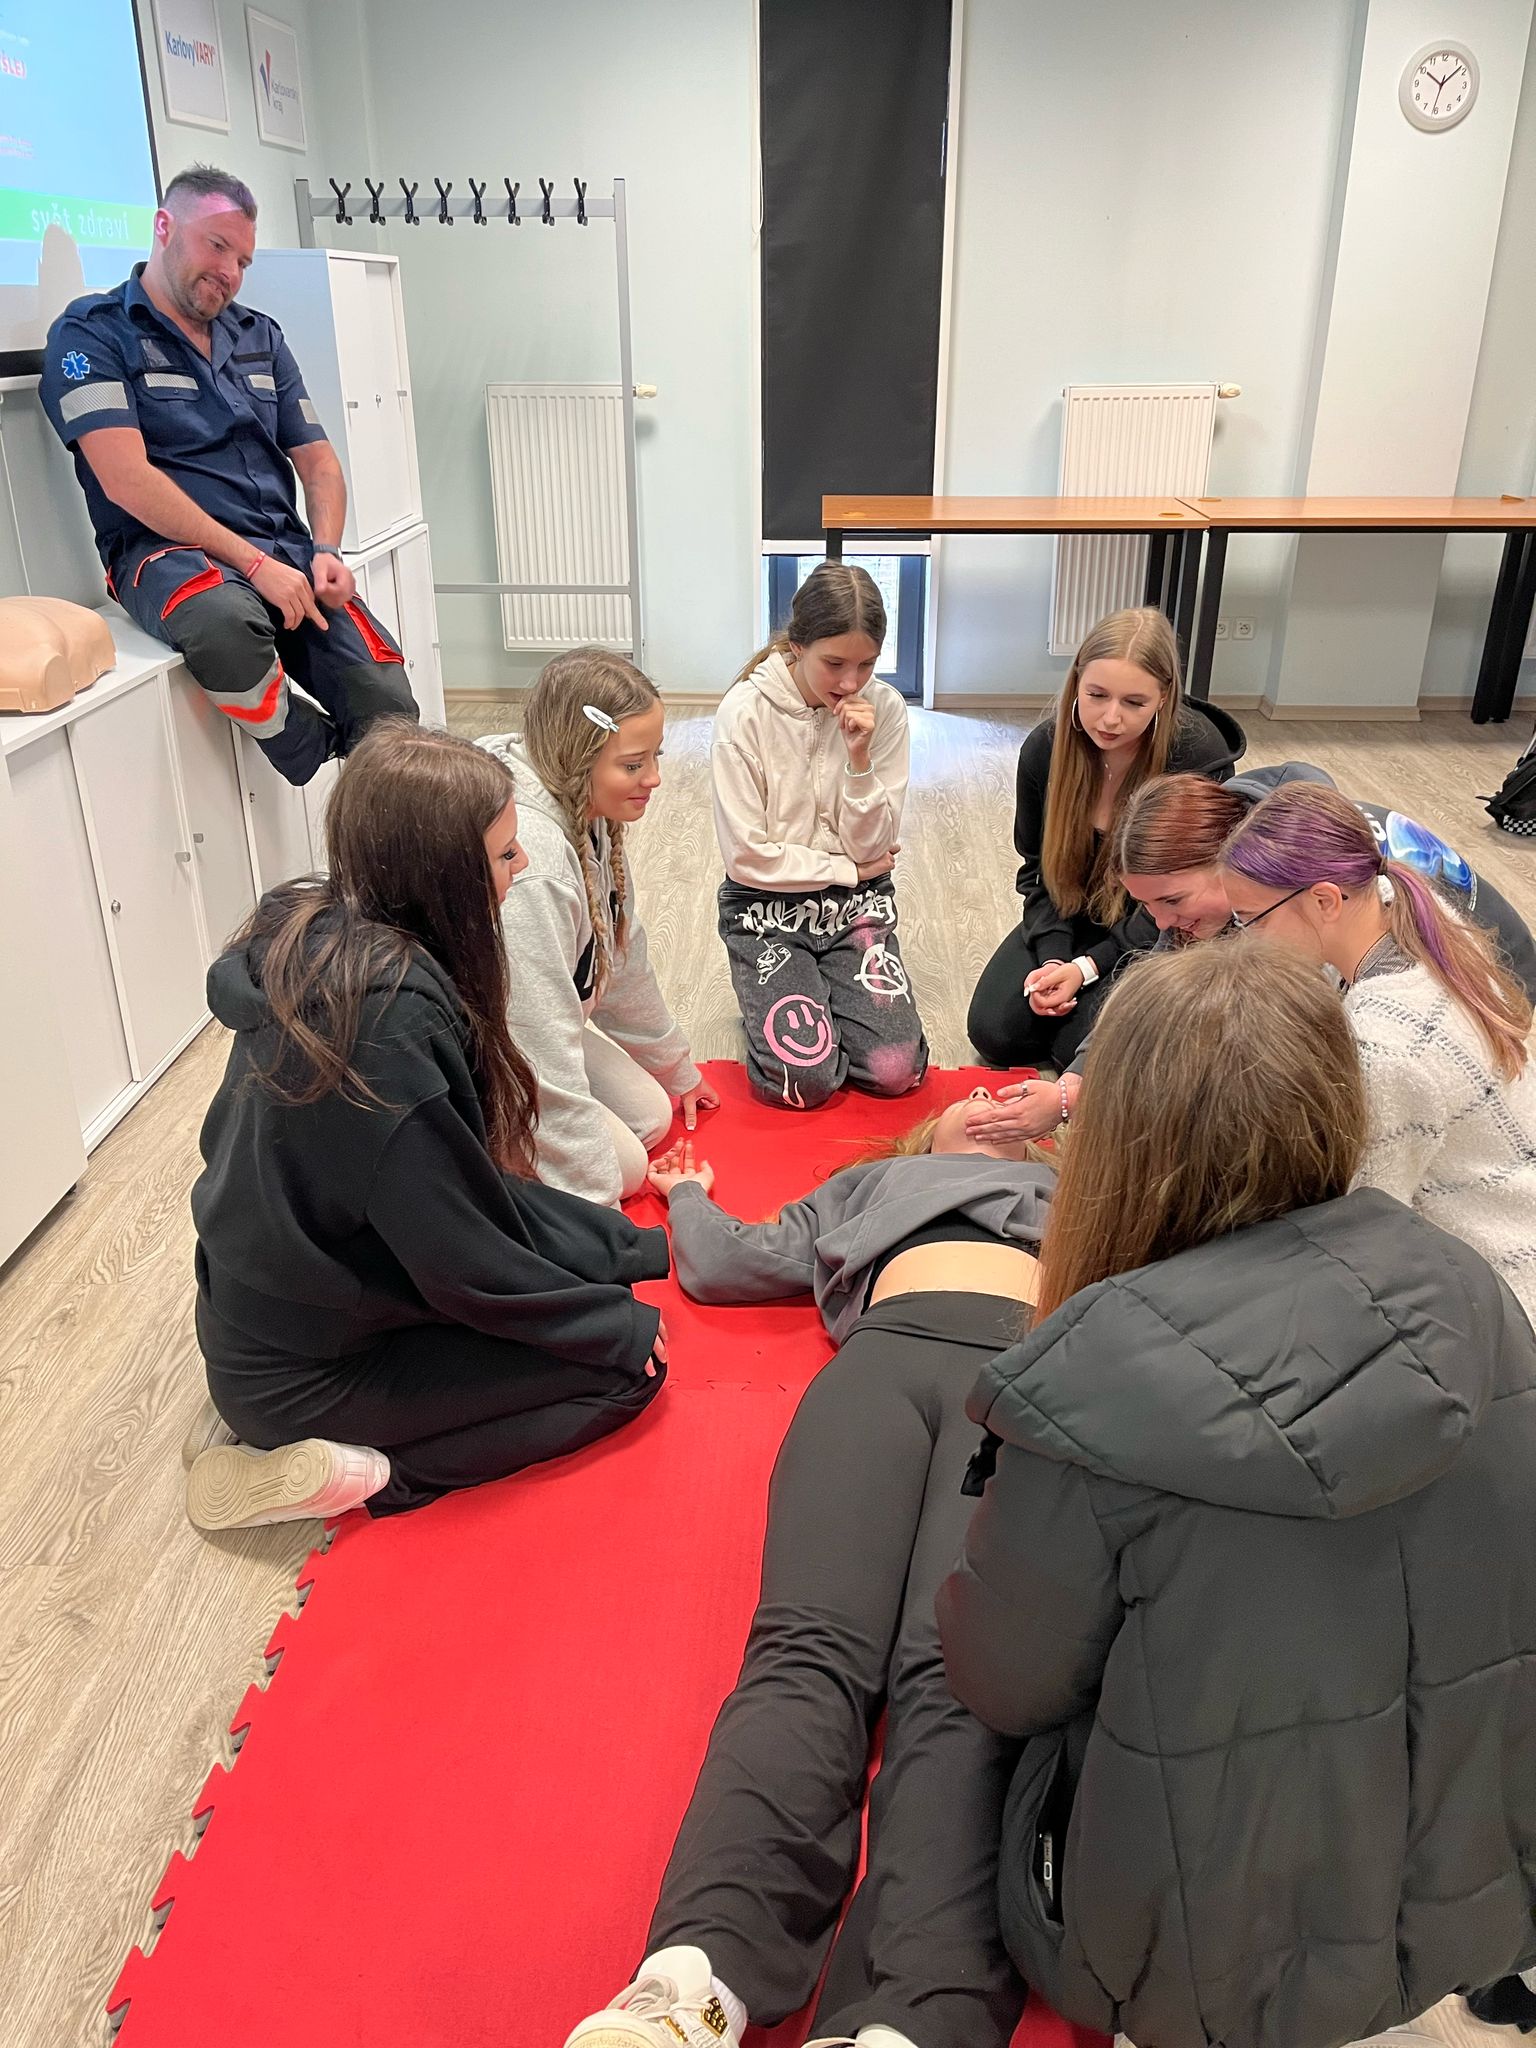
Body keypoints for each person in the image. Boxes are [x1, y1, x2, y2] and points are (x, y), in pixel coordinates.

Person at [938, 940, 1536, 2048]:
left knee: (949, 1714)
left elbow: (1001, 1679)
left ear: (1121, 1134)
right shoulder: (1470, 1285)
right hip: (1468, 1889)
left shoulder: (1089, 1380)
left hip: (1190, 1966)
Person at [563, 1095, 1057, 2048]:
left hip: (1031, 1378)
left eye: (1012, 1099)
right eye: (974, 1097)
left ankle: (921, 2014)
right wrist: (688, 1196)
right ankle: (695, 1978)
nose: (992, 1100)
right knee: (804, 1651)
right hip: (881, 1364)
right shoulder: (872, 1184)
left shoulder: (1082, 1186)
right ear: (924, 1132)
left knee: (960, 1678)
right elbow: (728, 1261)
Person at [183, 722, 670, 1533]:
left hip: (273, 1319)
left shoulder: (326, 936)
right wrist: (615, 1322)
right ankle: (366, 1475)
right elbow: (461, 1257)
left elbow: (468, 1196)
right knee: (630, 1370)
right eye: (505, 855)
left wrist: (632, 1251)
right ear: (442, 875)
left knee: (603, 1303)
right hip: (308, 1368)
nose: (523, 867)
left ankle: (275, 1421)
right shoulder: (387, 1028)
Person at [40, 165, 417, 787]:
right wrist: (254, 563)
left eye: (242, 260)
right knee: (225, 627)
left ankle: (386, 833)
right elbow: (125, 479)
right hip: (166, 554)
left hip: (282, 550)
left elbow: (319, 462)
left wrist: (326, 550)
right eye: (217, 247)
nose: (230, 272)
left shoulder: (259, 336)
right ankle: (311, 750)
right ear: (165, 227)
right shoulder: (91, 334)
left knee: (390, 708)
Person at [964, 761, 1536, 1145]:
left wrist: (1085, 1097)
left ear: (1232, 868)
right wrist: (1074, 1090)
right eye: (1148, 906)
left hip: (1495, 995)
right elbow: (1153, 986)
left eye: (1171, 901)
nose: (1160, 923)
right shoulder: (1272, 870)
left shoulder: (1320, 925)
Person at [1221, 780, 1536, 1319]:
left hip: (1499, 1284)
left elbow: (1363, 1224)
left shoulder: (1386, 1046)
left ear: (1324, 900)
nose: (1247, 937)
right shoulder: (1410, 914)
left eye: (1253, 920)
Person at [480, 649, 716, 1207]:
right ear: (576, 757)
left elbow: (620, 956)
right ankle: (471, 1148)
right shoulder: (533, 861)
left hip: (534, 1020)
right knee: (622, 1171)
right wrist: (599, 1218)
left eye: (655, 756)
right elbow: (535, 1032)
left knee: (651, 1116)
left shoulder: (589, 810)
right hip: (495, 1037)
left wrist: (676, 1068)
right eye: (633, 765)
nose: (654, 778)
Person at [966, 605, 1244, 1071]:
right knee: (996, 1033)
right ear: (1076, 682)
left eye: (1134, 703)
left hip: (1160, 925)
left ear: (1164, 698)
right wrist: (1054, 960)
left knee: (1074, 1048)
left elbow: (1180, 900)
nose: (1110, 719)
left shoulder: (1196, 760)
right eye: (1096, 695)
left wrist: (1086, 967)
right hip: (1074, 912)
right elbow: (1038, 871)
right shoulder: (1044, 749)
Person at [712, 561, 928, 1109]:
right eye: (834, 664)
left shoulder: (885, 709)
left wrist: (859, 760)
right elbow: (747, 858)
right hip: (764, 910)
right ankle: (791, 988)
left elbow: (873, 847)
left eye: (867, 664)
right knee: (804, 1083)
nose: (851, 683)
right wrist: (847, 869)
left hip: (855, 908)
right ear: (797, 646)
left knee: (896, 1070)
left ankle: (823, 989)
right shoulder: (744, 713)